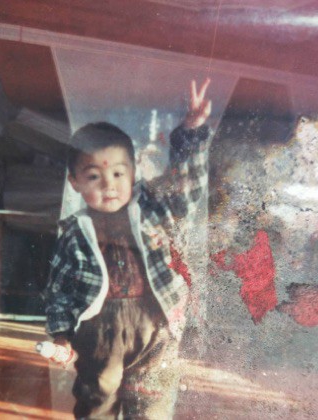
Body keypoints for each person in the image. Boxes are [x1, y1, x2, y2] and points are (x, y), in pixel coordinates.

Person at [43, 78, 212, 419]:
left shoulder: (152, 207)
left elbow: (186, 189)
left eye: (119, 174)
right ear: (74, 182)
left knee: (153, 400)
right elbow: (58, 290)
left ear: (133, 173)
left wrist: (191, 134)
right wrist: (60, 335)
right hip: (99, 333)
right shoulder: (74, 233)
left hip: (155, 324)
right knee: (97, 398)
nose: (109, 185)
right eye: (94, 176)